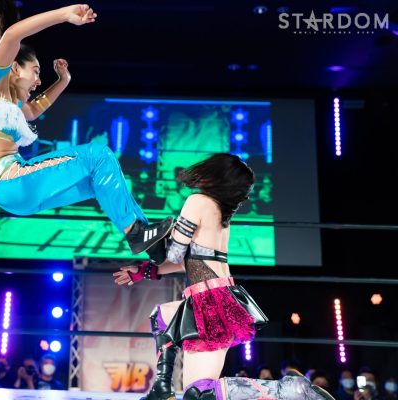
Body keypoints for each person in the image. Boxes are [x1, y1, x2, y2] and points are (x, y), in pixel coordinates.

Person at [0, 0, 173, 256]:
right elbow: (12, 35)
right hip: (12, 184)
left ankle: (151, 242)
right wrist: (64, 14)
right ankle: (138, 234)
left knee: (98, 179)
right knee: (98, 155)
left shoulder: (11, 104)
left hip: (14, 194)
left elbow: (34, 110)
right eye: (35, 71)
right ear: (15, 67)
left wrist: (63, 81)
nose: (38, 81)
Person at [113, 154, 334, 400]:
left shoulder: (197, 201)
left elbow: (175, 254)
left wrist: (152, 235)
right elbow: (193, 261)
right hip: (216, 297)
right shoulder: (220, 213)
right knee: (162, 316)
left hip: (209, 301)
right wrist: (146, 270)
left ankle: (289, 390)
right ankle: (161, 388)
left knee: (199, 394)